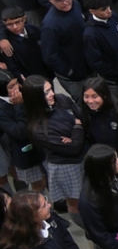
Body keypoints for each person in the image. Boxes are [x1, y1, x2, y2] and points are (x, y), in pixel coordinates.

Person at [22, 75, 88, 227]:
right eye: (45, 93)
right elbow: (73, 147)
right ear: (35, 98)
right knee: (76, 202)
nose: (51, 94)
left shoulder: (62, 100)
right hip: (67, 167)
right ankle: (89, 228)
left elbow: (83, 118)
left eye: (50, 89)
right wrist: (77, 127)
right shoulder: (38, 128)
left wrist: (75, 131)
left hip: (85, 156)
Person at [0, 191, 85, 249]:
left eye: (46, 200)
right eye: (44, 206)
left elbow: (66, 239)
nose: (49, 205)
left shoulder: (51, 220)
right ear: (31, 215)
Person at [40, 0, 88, 103]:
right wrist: (69, 71)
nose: (65, 2)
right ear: (50, 1)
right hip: (73, 76)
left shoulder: (76, 5)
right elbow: (50, 56)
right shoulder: (50, 26)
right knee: (85, 103)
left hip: (87, 65)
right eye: (58, 0)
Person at [0, 70, 46, 193]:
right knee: (38, 184)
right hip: (23, 151)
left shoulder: (23, 93)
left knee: (46, 179)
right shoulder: (2, 108)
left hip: (40, 143)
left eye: (16, 84)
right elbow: (19, 132)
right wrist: (19, 105)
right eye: (11, 87)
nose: (16, 88)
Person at [0, 7, 51, 80]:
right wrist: (19, 76)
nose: (15, 27)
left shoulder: (34, 30)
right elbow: (11, 64)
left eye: (18, 22)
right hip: (27, 77)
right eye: (10, 24)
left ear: (24, 19)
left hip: (45, 72)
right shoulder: (6, 43)